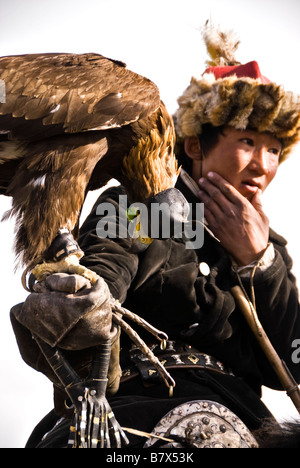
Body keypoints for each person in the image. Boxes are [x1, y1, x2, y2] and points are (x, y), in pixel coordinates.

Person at [10, 25, 300, 448]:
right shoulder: (145, 201)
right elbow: (105, 269)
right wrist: (86, 294)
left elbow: (291, 367)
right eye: (247, 141)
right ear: (196, 146)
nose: (262, 164)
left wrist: (259, 261)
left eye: (274, 149)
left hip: (246, 423)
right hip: (140, 408)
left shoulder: (269, 250)